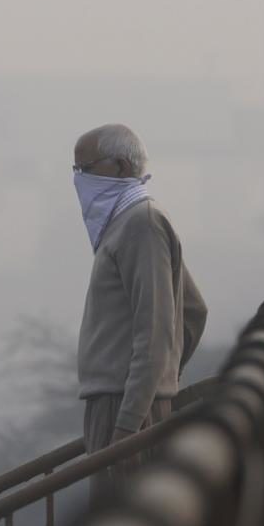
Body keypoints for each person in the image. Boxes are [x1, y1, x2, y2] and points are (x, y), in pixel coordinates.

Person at [73, 124, 208, 468]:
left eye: (85, 170)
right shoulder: (127, 222)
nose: (78, 180)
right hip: (126, 401)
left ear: (119, 166)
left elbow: (155, 330)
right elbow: (192, 311)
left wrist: (130, 420)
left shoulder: (140, 224)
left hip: (124, 405)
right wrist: (160, 381)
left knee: (116, 514)